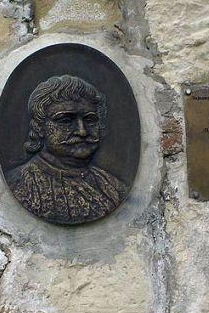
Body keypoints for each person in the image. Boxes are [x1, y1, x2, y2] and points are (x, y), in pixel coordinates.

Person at [7, 75, 127, 224]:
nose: (82, 132)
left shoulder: (114, 188)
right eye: (65, 120)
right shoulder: (19, 185)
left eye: (90, 120)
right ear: (39, 127)